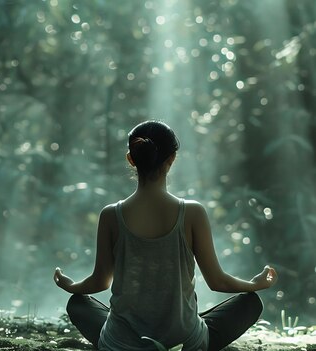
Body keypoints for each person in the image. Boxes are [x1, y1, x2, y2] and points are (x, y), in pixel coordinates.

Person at [53, 120, 278, 351]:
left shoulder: (111, 215)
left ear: (131, 159)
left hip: (121, 344)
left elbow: (100, 281)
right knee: (250, 302)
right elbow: (217, 281)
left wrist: (72, 286)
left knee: (78, 304)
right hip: (184, 343)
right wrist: (254, 284)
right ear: (172, 160)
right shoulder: (192, 213)